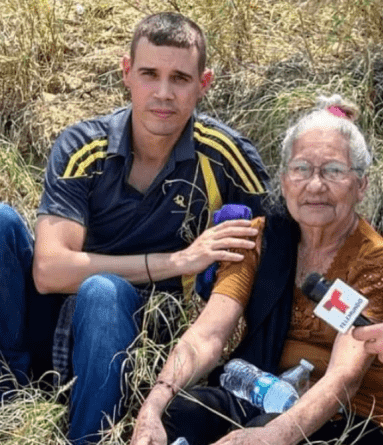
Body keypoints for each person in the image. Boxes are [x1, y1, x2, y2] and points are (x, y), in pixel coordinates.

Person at [0, 12, 274, 444]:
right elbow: (49, 271)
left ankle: (89, 437)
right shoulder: (82, 146)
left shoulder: (226, 156)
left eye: (180, 78)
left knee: (103, 292)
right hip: (54, 322)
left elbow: (280, 242)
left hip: (143, 333)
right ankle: (12, 398)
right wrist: (179, 260)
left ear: (204, 83)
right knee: (2, 222)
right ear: (127, 73)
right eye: (149, 74)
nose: (163, 94)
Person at [131, 95, 383, 445]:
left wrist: (269, 436)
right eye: (301, 169)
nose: (315, 185)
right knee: (183, 412)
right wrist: (153, 404)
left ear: (360, 185)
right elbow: (208, 335)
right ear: (284, 180)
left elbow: (342, 379)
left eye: (333, 171)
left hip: (345, 420)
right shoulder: (260, 240)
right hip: (260, 391)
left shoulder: (375, 262)